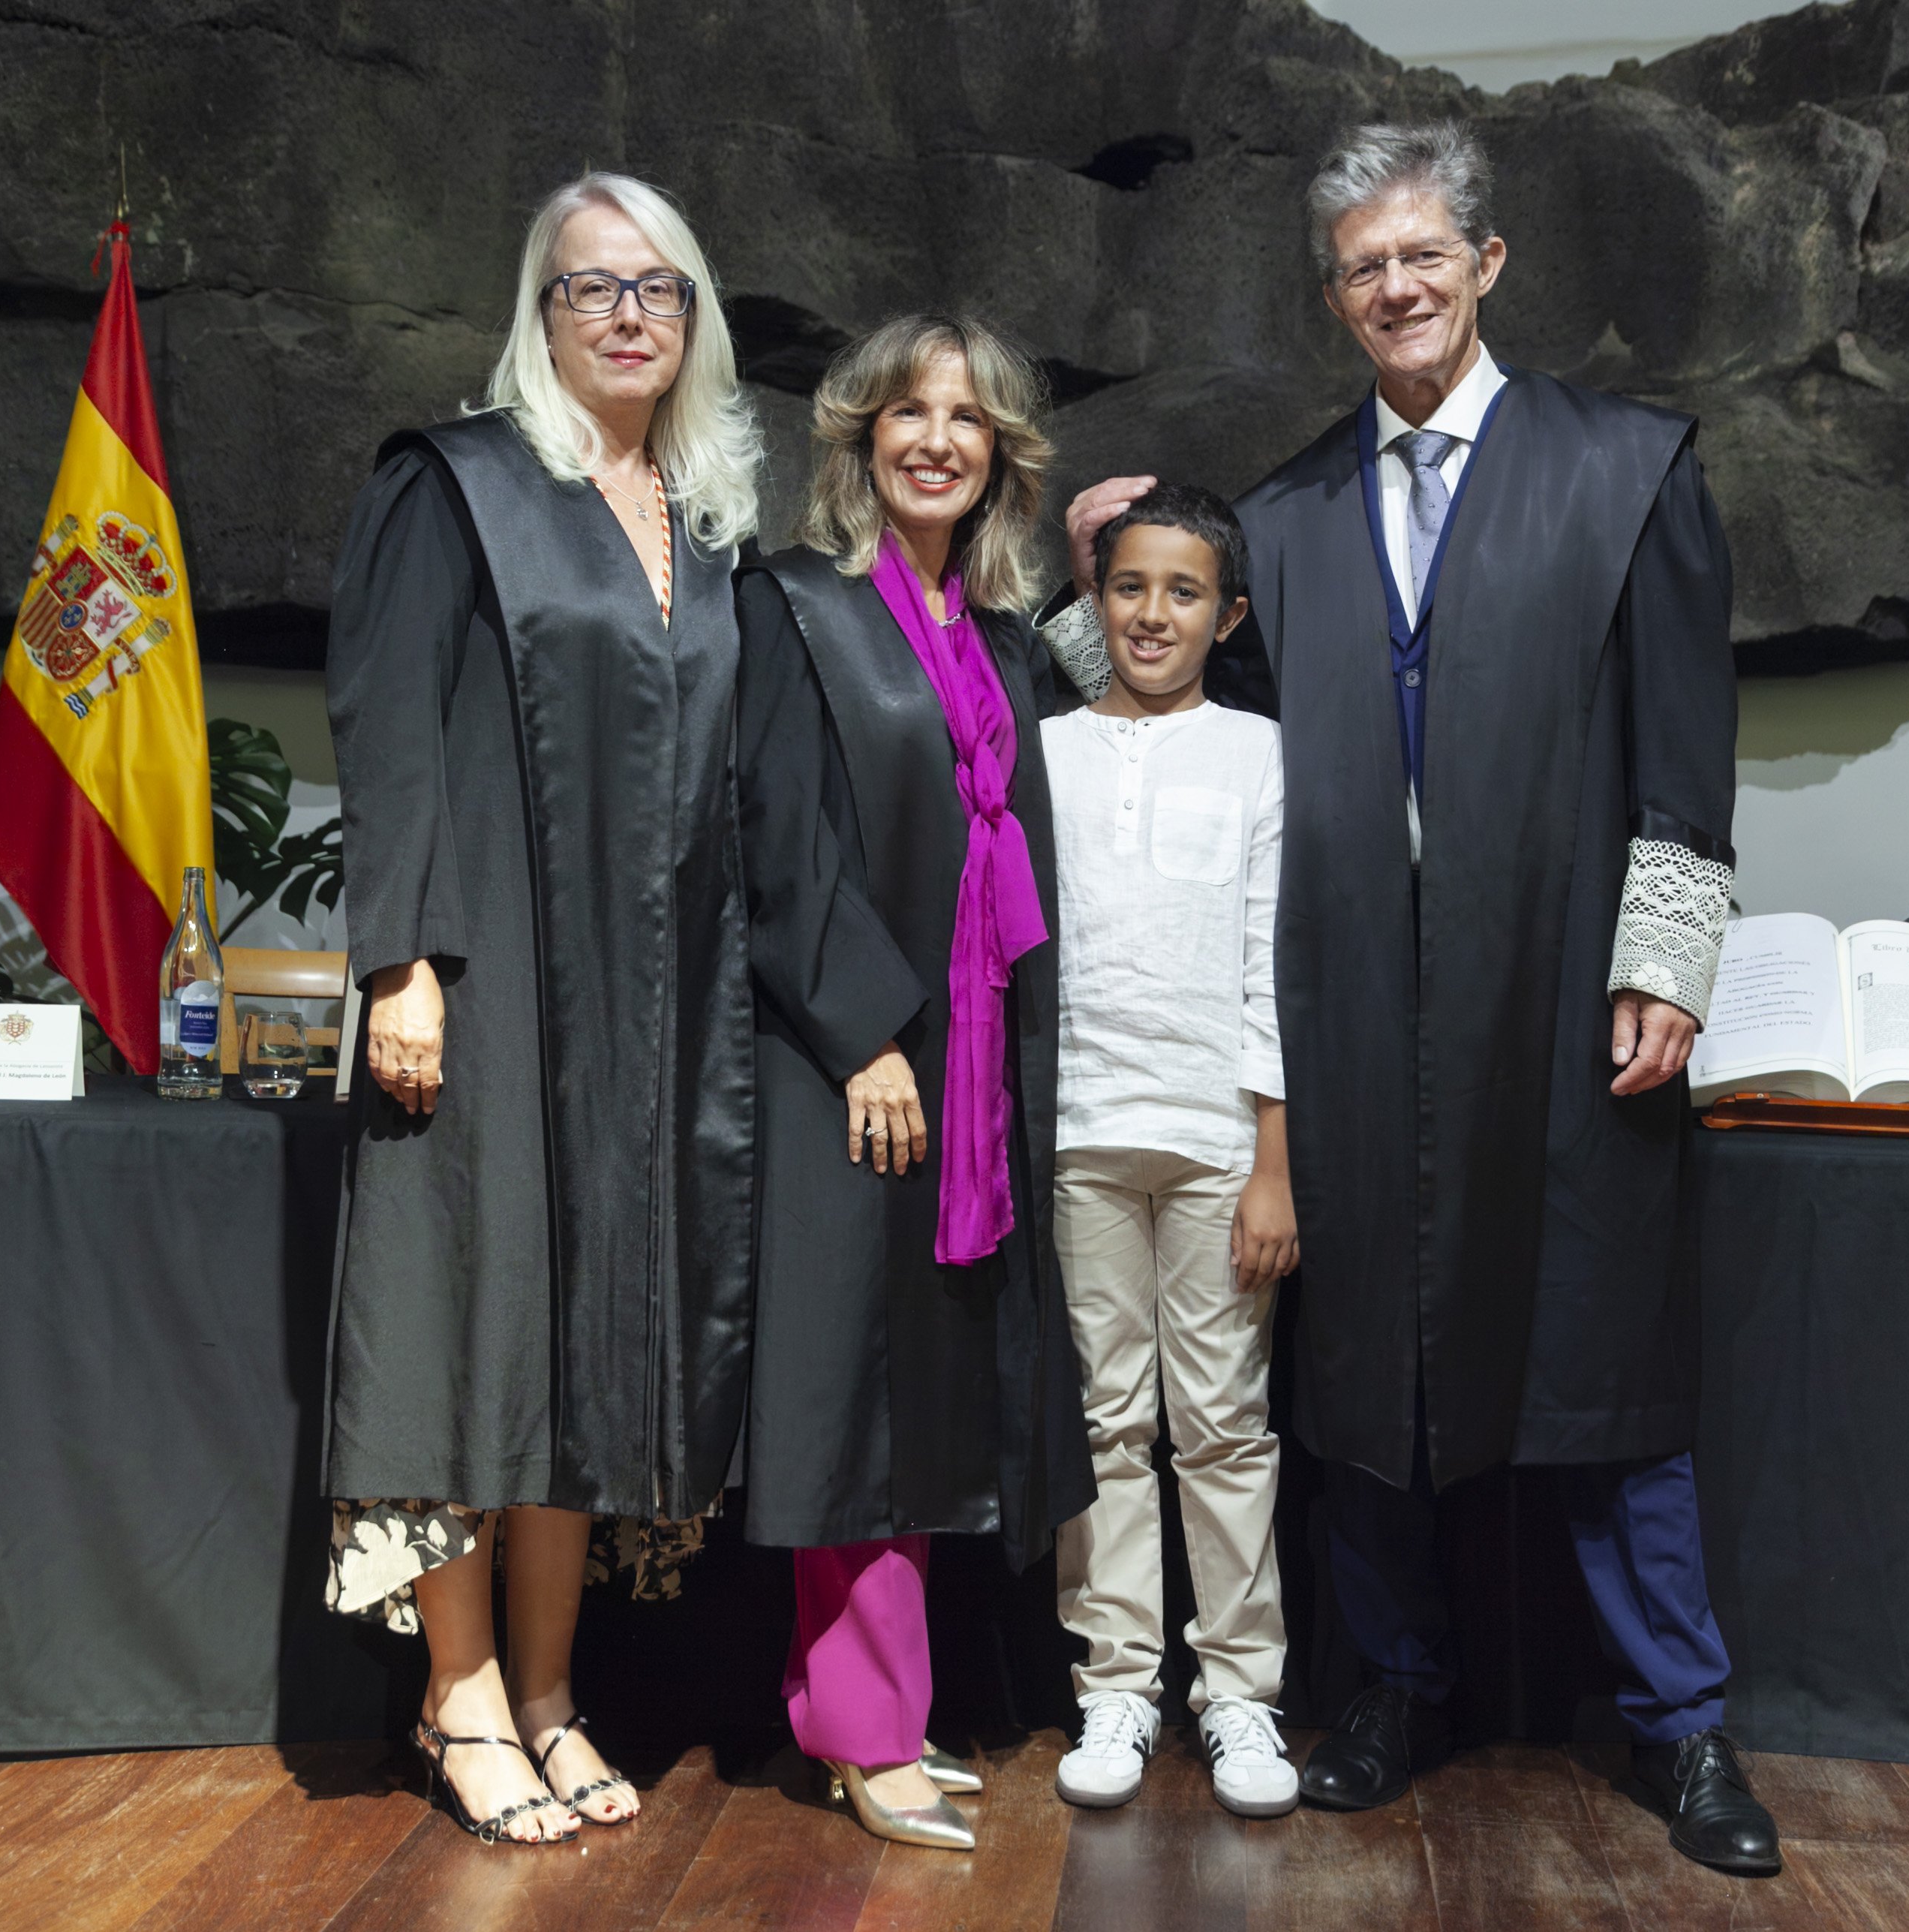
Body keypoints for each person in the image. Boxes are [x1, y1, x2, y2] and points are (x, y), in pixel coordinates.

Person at [1050, 120, 1783, 1875]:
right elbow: (1159, 686)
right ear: (1333, 297)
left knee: (1606, 1361)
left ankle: (1680, 1726)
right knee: (1364, 1373)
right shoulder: (1289, 511)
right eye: (1364, 268)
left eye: (1422, 257)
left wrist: (1662, 958)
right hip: (1354, 1014)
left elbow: (1684, 739)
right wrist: (1086, 576)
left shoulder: (1624, 469)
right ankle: (1392, 1680)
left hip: (1558, 998)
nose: (1395, 288)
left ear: (1485, 265)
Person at [317, 171, 762, 1848]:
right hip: (486, 972)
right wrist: (400, 964)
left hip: (645, 1012)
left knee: (586, 1341)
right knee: (468, 1326)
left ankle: (556, 1690)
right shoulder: (458, 486)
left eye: (658, 286)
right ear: (541, 311)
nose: (628, 313)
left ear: (693, 315)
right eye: (592, 289)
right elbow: (393, 726)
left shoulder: (702, 516)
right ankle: (458, 1697)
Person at [733, 312, 1095, 1852]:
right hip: (856, 1065)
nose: (935, 438)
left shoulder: (1002, 644)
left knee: (925, 1397)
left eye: (967, 418)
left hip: (973, 1072)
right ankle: (862, 1731)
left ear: (1000, 454)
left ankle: (880, 1710)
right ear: (857, 435)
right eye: (907, 412)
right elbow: (780, 839)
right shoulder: (795, 609)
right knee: (855, 1403)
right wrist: (863, 1036)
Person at [1038, 484, 1303, 1819]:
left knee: (1222, 1424)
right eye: (1129, 587)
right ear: (1092, 601)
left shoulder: (1258, 752)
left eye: (1182, 592)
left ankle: (1241, 1694)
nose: (1152, 613)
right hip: (1082, 1130)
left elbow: (1269, 957)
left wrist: (1272, 1157)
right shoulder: (1044, 750)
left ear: (1227, 613)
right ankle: (1116, 1681)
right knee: (1103, 1422)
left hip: (1215, 1145)